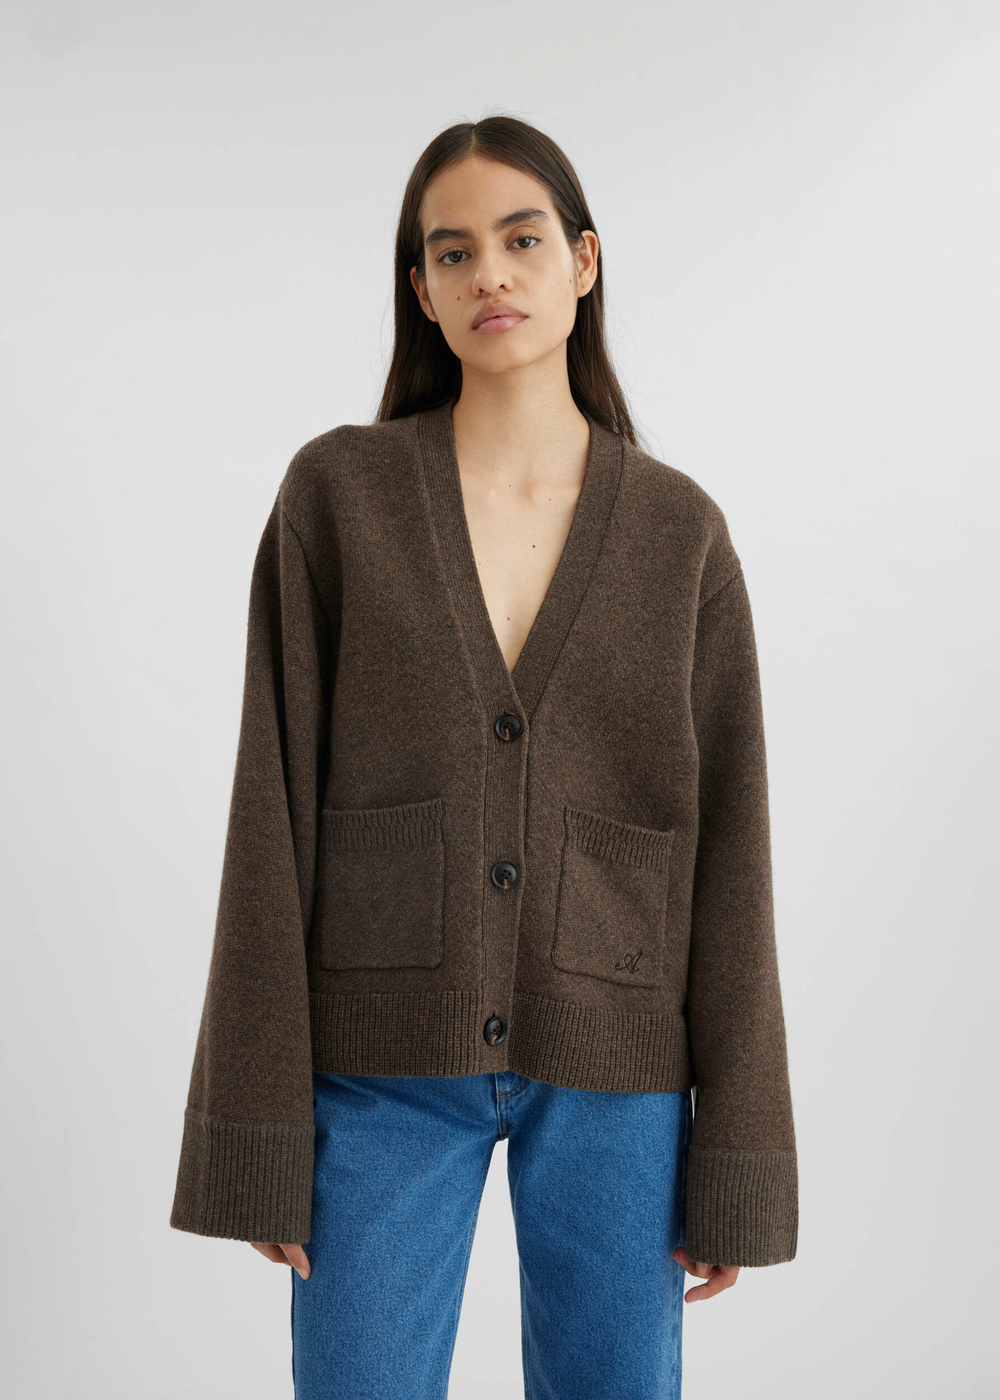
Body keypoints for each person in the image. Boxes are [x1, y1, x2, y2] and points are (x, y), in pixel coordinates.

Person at [169, 114, 798, 1399]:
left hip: (618, 1065)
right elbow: (268, 812)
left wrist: (737, 1146)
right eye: (450, 252)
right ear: (420, 288)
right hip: (380, 1060)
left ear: (583, 260)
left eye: (521, 240)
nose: (489, 274)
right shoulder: (336, 497)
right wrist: (258, 1124)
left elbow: (731, 852)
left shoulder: (677, 532)